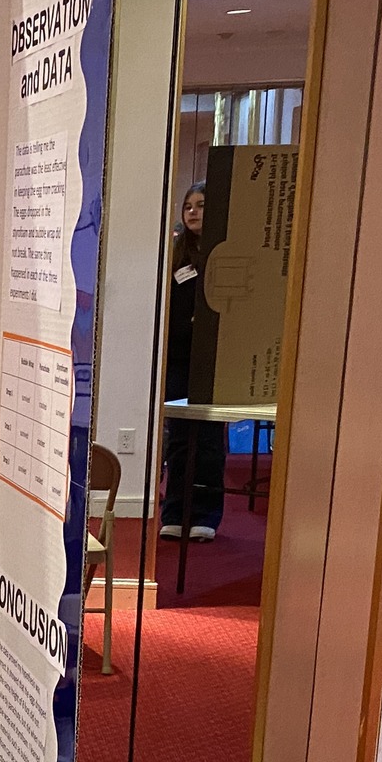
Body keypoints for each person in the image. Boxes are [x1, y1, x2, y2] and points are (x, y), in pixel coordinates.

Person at [160, 183, 226, 542]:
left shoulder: (224, 253)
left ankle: (205, 514)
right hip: (179, 360)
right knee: (179, 440)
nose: (193, 211)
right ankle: (174, 511)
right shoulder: (176, 256)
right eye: (187, 206)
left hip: (214, 360)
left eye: (200, 205)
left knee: (210, 441)